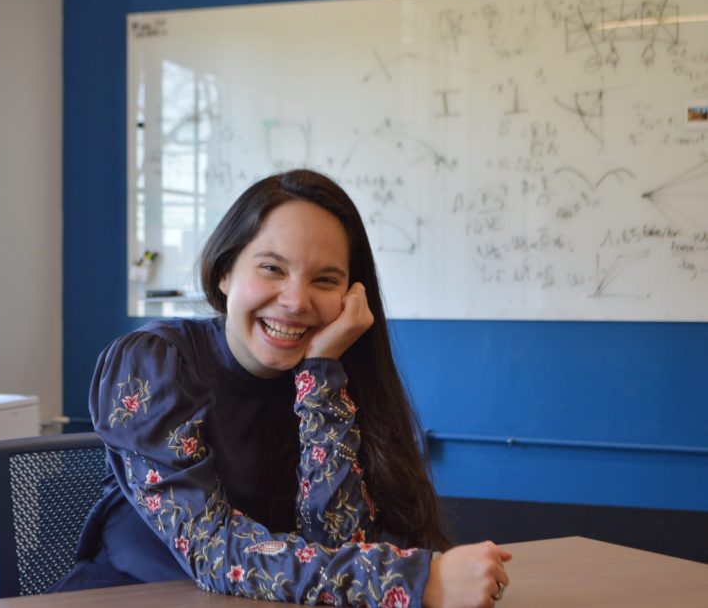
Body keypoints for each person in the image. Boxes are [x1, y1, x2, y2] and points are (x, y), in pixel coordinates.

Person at [52, 170, 511, 606]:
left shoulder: (332, 373)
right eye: (272, 268)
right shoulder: (152, 362)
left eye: (325, 279)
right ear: (224, 272)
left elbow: (338, 540)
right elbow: (214, 552)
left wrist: (321, 373)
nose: (295, 301)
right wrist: (417, 580)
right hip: (132, 595)